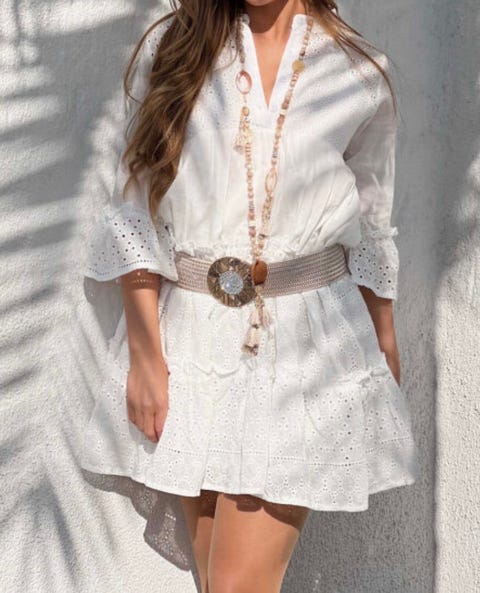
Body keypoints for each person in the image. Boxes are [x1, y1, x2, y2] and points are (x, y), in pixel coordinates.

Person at [79, 1, 420, 591]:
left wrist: (382, 331)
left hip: (306, 348)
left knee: (237, 582)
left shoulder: (360, 72)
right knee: (219, 581)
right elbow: (133, 205)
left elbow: (371, 219)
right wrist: (145, 354)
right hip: (193, 344)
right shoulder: (177, 47)